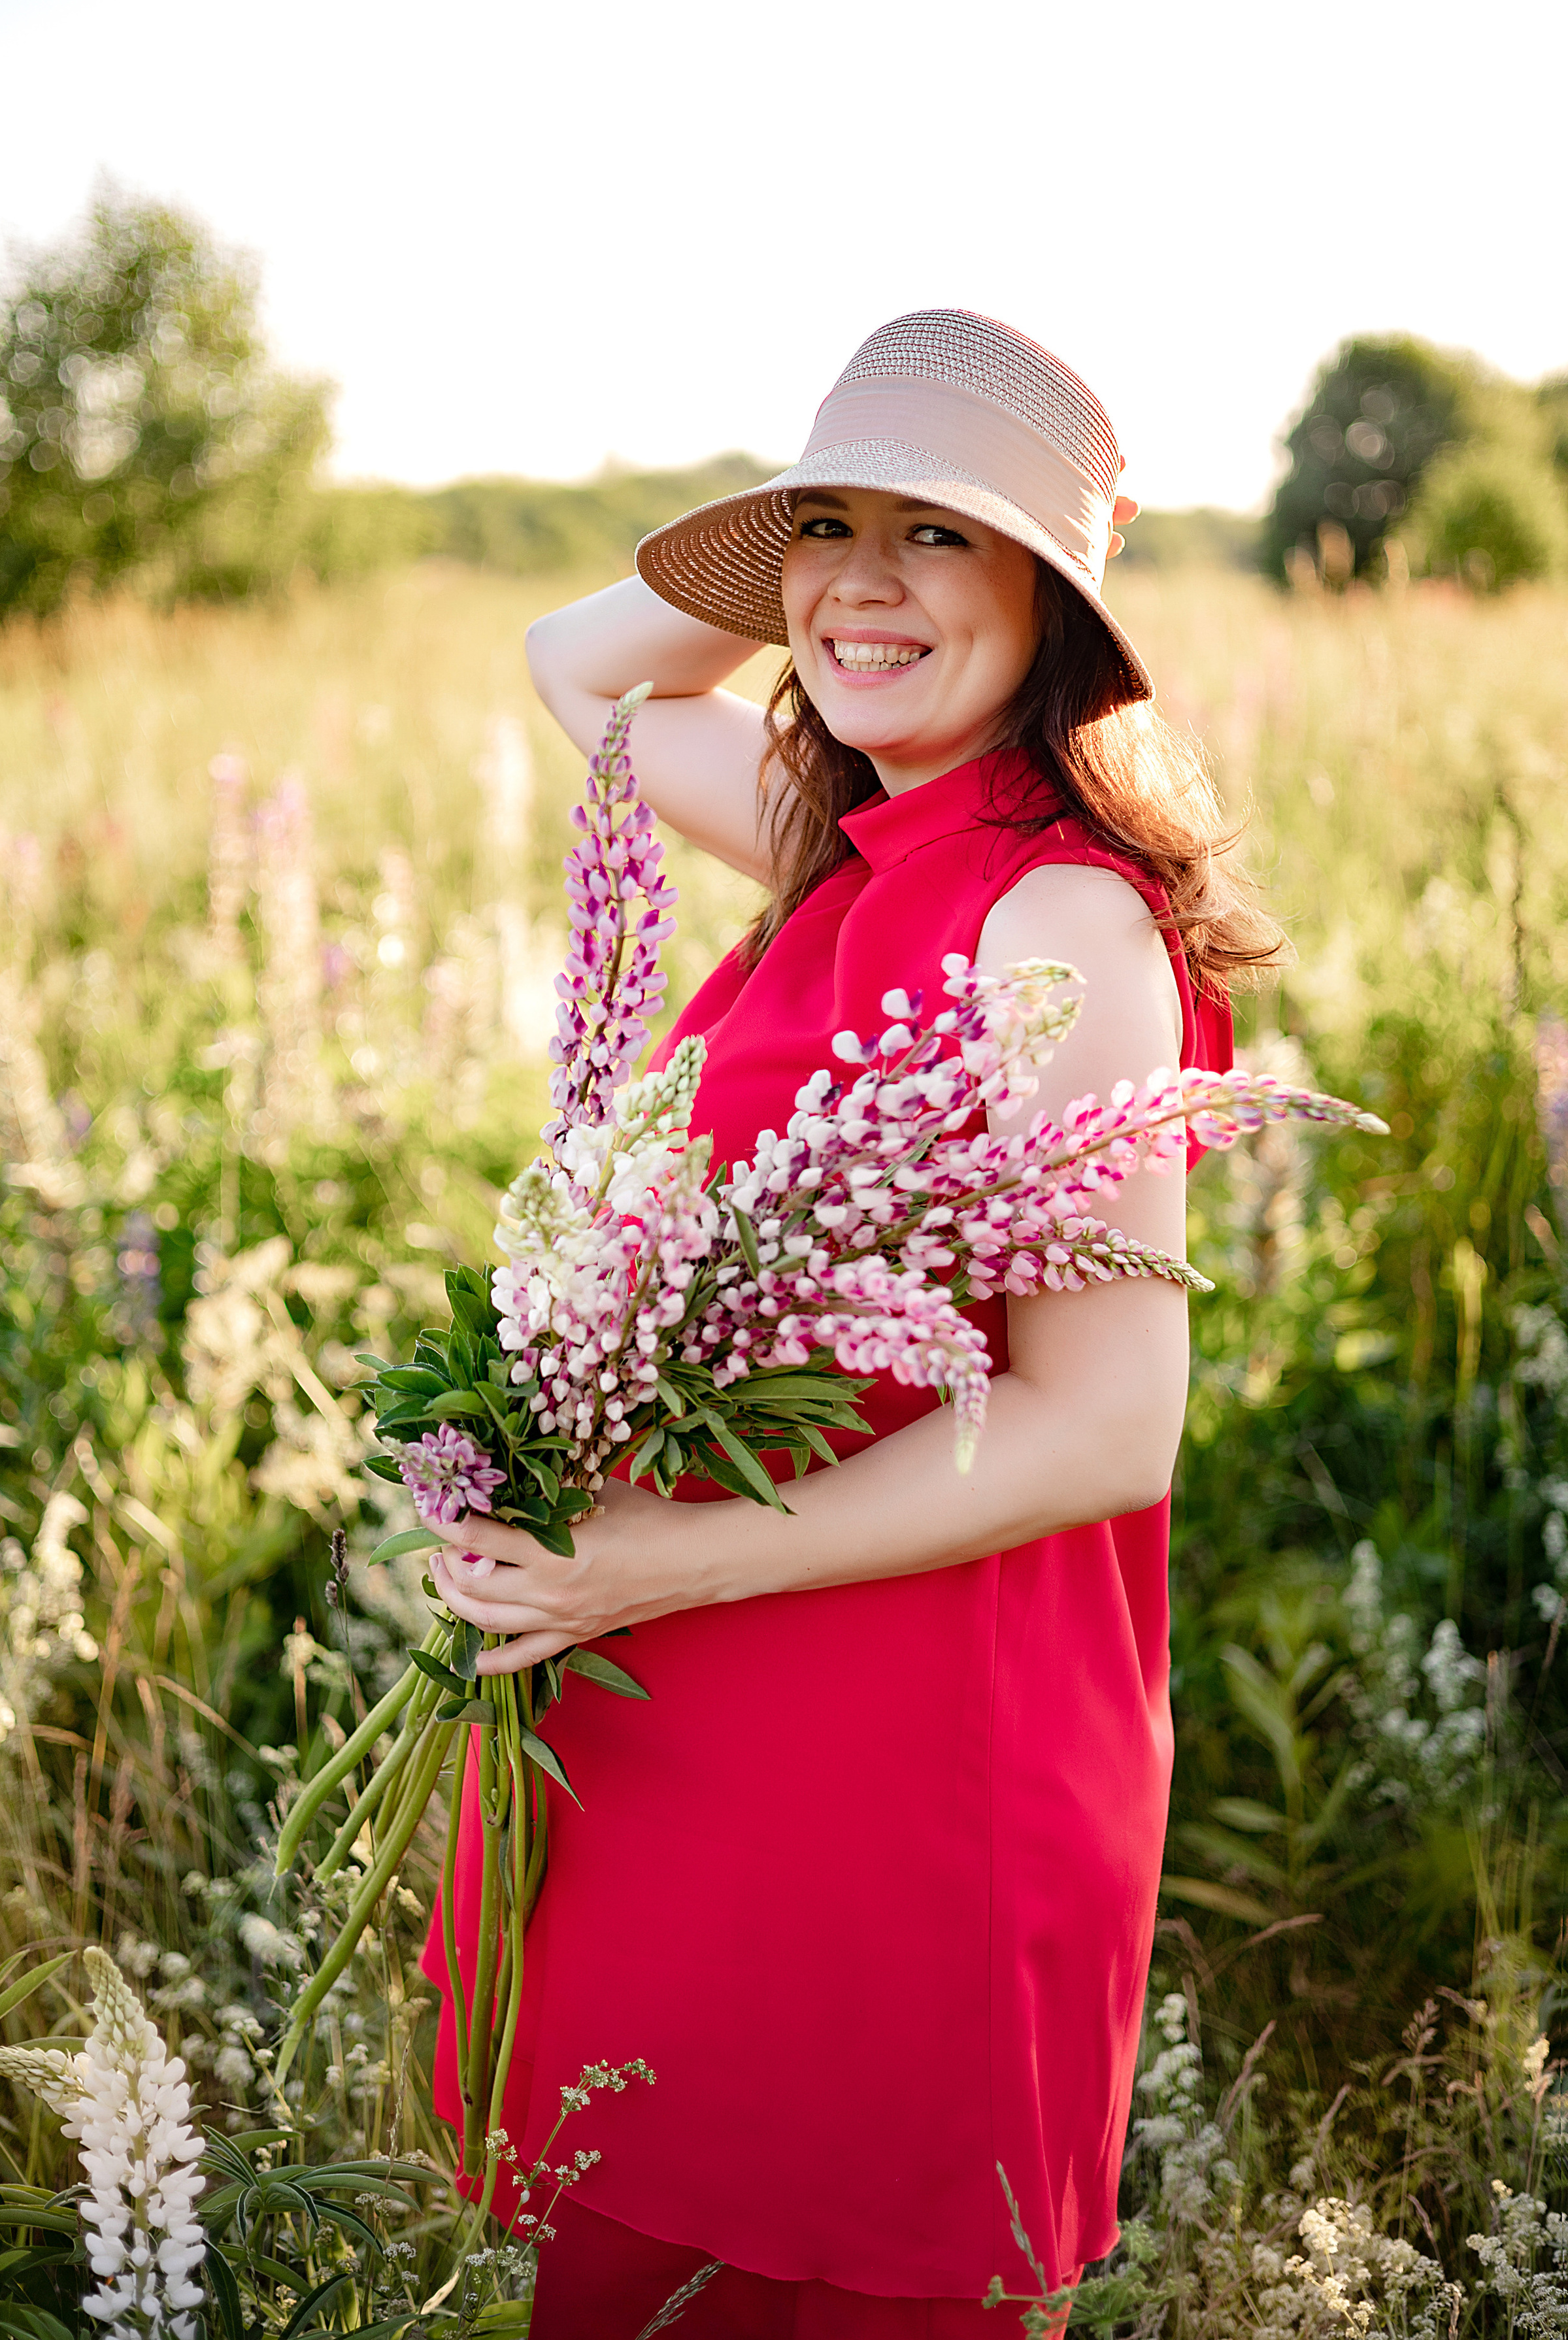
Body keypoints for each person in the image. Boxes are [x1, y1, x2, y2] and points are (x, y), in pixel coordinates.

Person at [421, 309, 1282, 2335]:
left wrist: (656, 1558)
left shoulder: (1058, 920)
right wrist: (790, 589)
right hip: (696, 1696)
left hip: (910, 1747)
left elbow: (1101, 1429)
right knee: (635, 2254)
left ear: (1054, 600)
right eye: (827, 526)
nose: (863, 581)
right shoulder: (836, 845)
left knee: (849, 2271)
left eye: (942, 538)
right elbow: (574, 662)